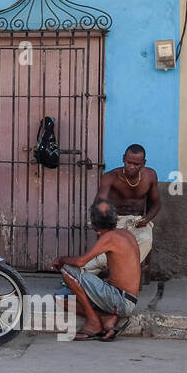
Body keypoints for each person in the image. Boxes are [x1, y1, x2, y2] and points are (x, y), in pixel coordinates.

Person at [52, 200, 141, 341]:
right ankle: (106, 318)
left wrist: (61, 259)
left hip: (120, 300)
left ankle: (94, 322)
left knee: (67, 269)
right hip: (128, 299)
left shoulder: (108, 238)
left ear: (95, 226)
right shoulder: (126, 233)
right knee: (61, 298)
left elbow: (81, 262)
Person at [83, 143, 159, 276]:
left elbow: (156, 203)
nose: (131, 167)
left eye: (136, 164)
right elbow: (99, 202)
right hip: (115, 221)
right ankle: (83, 272)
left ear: (143, 163)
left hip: (139, 221)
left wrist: (147, 219)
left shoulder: (150, 176)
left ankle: (95, 268)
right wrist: (103, 223)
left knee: (146, 240)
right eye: (129, 162)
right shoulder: (111, 177)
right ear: (123, 158)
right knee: (115, 245)